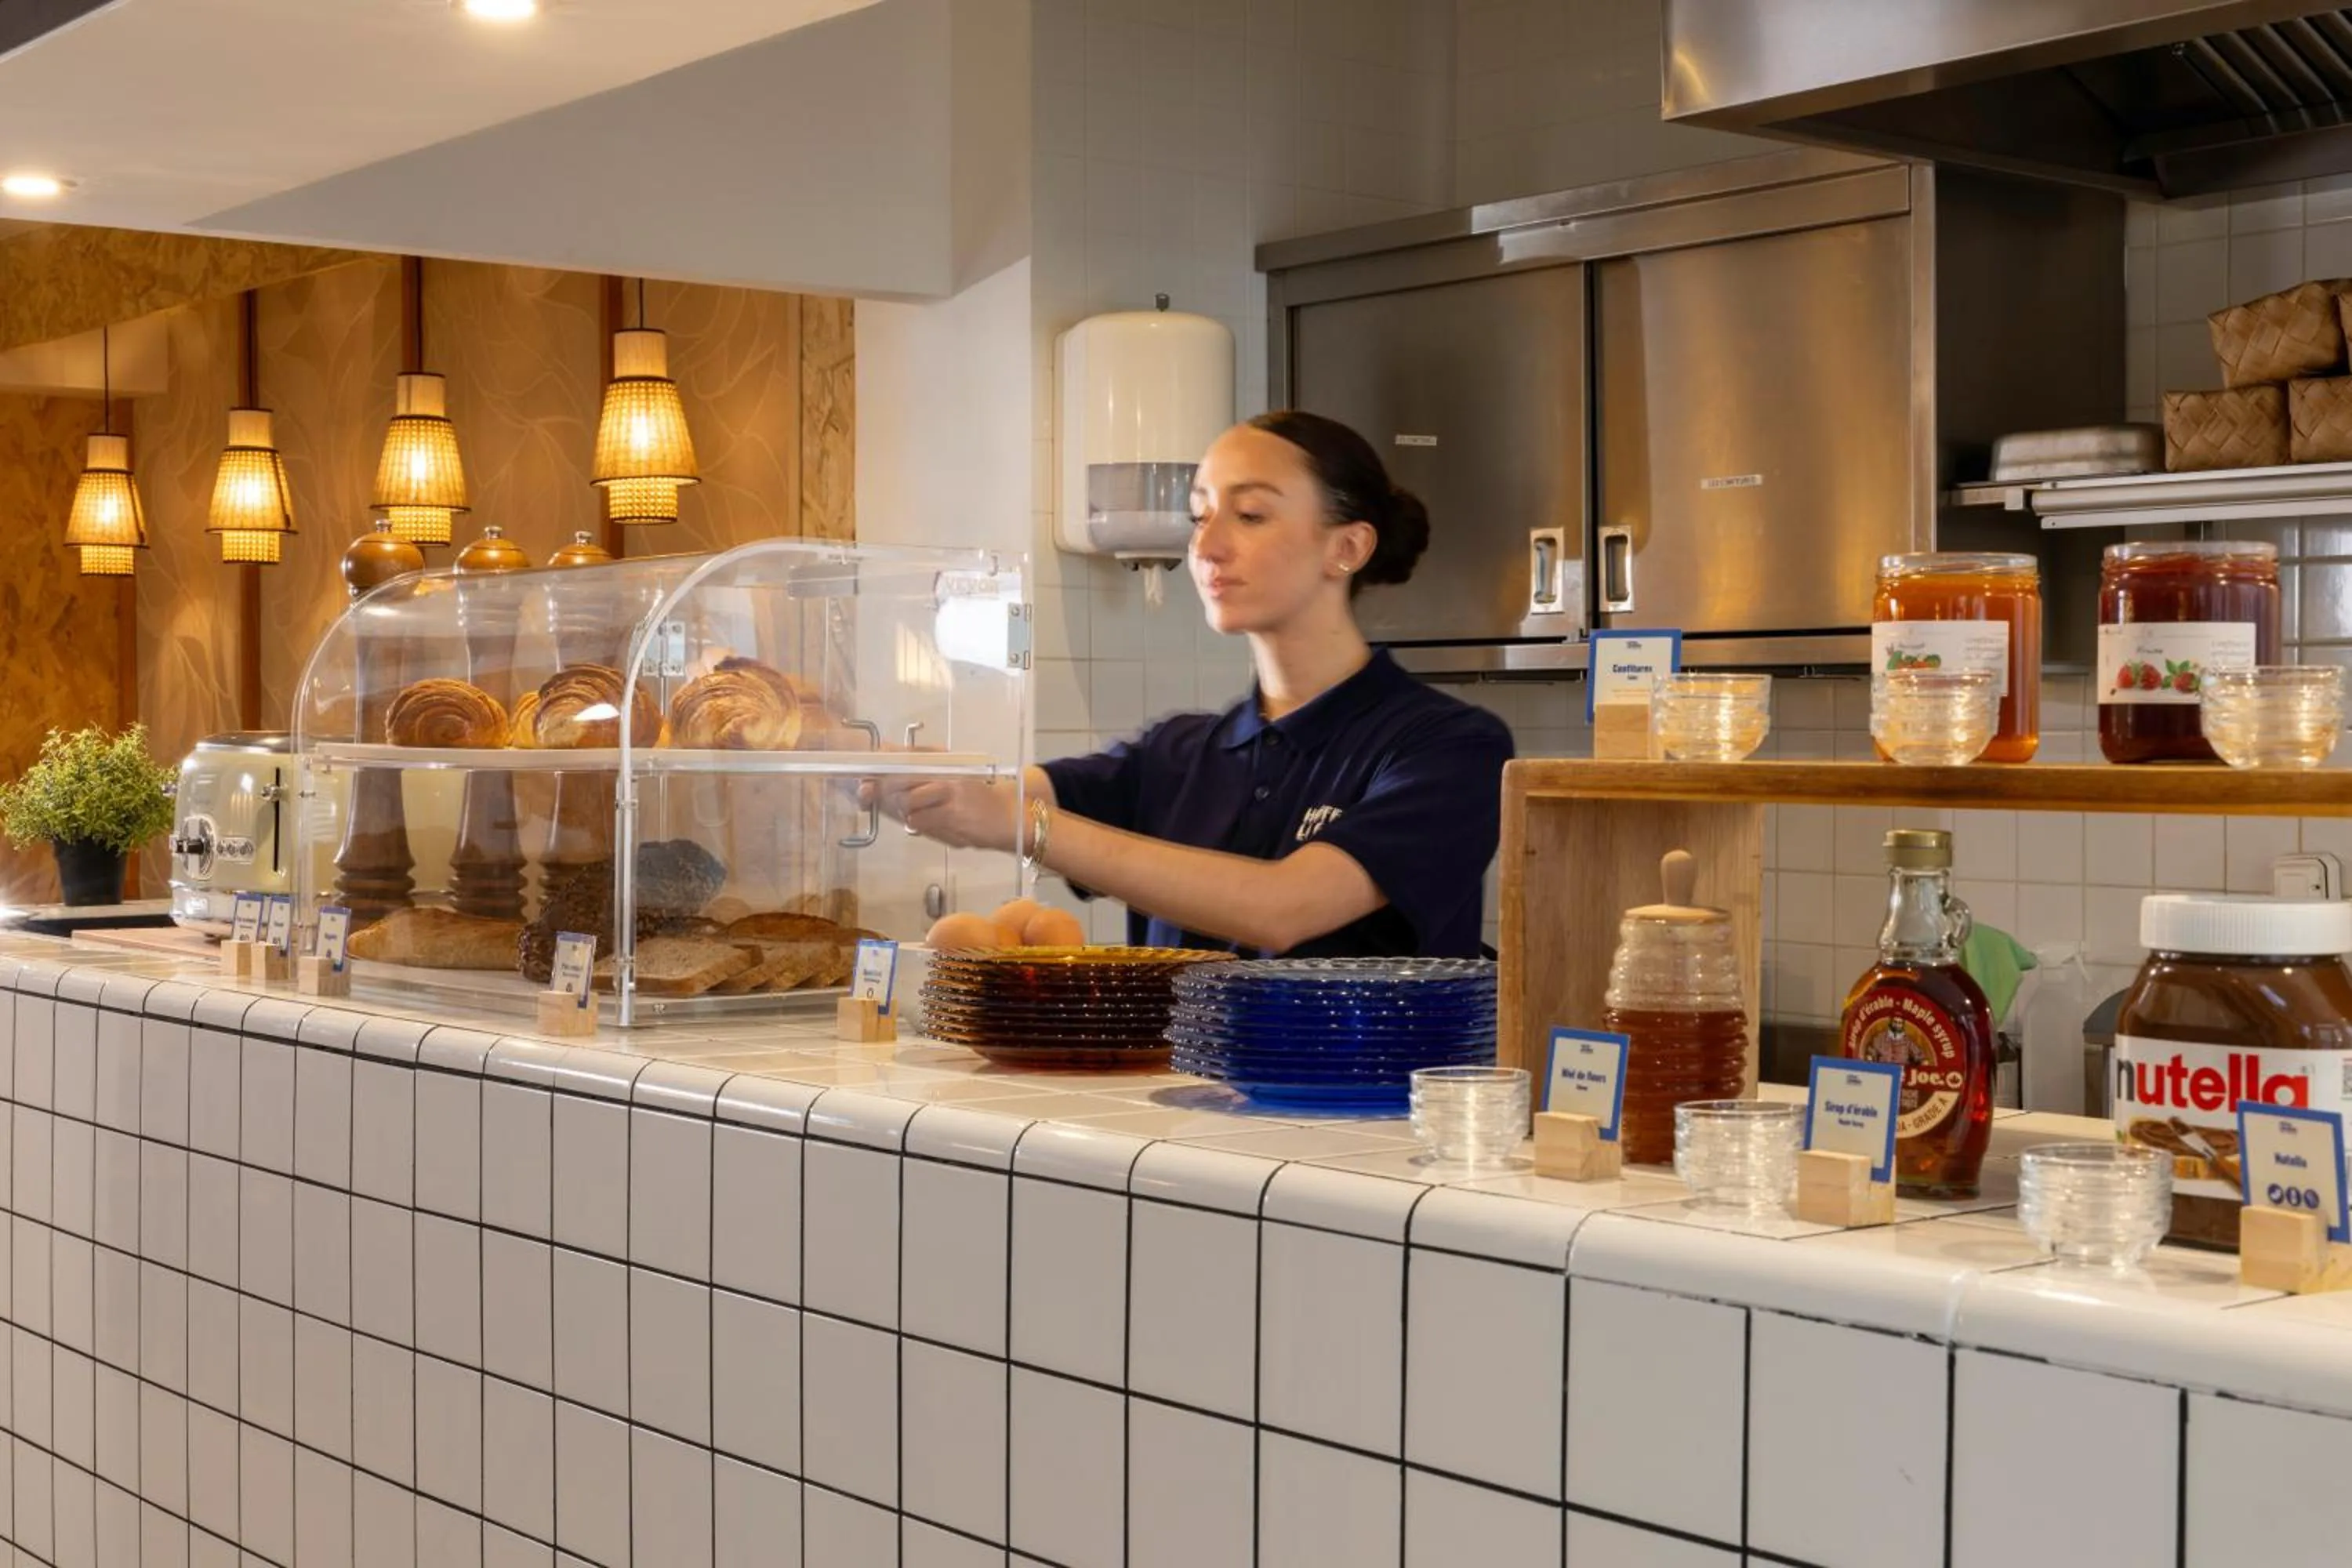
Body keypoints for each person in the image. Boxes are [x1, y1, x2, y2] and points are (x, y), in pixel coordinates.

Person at [885, 410, 1515, 958]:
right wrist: (826, 744)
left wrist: (1027, 826)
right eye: (1198, 515)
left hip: (1366, 1099)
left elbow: (1284, 909)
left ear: (1347, 546)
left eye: (1249, 514)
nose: (1207, 546)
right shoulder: (1179, 753)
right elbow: (975, 795)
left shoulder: (1450, 748)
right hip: (1175, 1096)